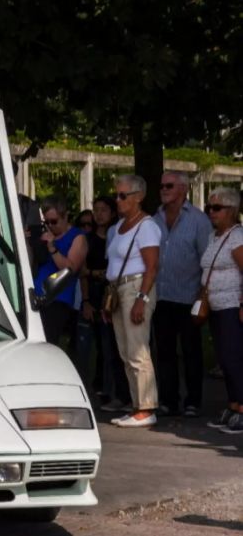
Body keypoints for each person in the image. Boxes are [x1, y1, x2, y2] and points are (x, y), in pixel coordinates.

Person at [152, 171, 212, 417]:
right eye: (162, 185)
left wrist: (203, 293)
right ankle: (168, 400)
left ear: (184, 189)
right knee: (164, 352)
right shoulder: (154, 219)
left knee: (191, 352)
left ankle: (193, 401)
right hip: (161, 296)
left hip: (188, 296)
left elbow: (207, 259)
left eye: (169, 185)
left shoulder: (198, 220)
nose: (163, 189)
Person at [105, 175, 161, 428]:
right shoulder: (118, 226)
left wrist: (142, 298)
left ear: (138, 197)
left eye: (123, 195)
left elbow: (152, 266)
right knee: (125, 350)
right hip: (119, 289)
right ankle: (137, 404)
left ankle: (146, 407)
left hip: (136, 287)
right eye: (116, 195)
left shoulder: (146, 226)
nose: (118, 200)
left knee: (138, 348)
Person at [79, 197, 133, 412]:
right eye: (96, 210)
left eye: (103, 210)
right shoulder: (88, 239)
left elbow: (114, 268)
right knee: (92, 345)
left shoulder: (116, 234)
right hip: (93, 294)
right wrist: (85, 300)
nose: (99, 214)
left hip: (112, 293)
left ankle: (117, 392)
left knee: (112, 346)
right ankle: (96, 389)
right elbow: (83, 272)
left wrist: (96, 273)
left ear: (112, 213)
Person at [199, 188, 243, 433]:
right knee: (224, 359)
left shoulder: (237, 237)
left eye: (217, 208)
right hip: (215, 305)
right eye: (209, 208)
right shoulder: (213, 236)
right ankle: (233, 403)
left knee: (233, 357)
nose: (211, 213)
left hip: (231, 306)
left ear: (232, 210)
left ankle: (242, 407)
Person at [34, 196, 88, 344]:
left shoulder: (78, 237)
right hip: (36, 296)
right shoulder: (44, 234)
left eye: (54, 221)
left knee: (48, 343)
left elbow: (70, 269)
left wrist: (52, 248)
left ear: (66, 216)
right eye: (47, 222)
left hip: (58, 300)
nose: (50, 226)